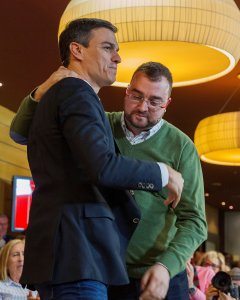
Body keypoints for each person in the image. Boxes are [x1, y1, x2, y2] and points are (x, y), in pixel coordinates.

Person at [9, 18, 184, 300]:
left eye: (155, 101)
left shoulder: (60, 95)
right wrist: (164, 173)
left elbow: (21, 134)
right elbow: (101, 166)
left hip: (66, 256)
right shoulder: (77, 93)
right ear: (77, 50)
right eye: (107, 47)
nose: (117, 56)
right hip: (78, 254)